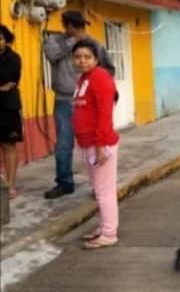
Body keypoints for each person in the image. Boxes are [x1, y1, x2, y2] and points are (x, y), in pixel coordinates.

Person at [42, 10, 114, 199]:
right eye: (76, 26)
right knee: (64, 144)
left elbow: (109, 68)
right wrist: (74, 42)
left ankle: (97, 185)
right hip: (65, 99)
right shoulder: (55, 40)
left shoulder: (94, 45)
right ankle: (64, 183)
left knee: (93, 144)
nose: (81, 30)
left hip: (88, 101)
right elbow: (51, 54)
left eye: (82, 26)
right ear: (66, 26)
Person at [70, 39, 120, 249]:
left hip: (101, 143)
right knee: (99, 188)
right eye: (78, 57)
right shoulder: (84, 78)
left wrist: (100, 145)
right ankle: (105, 227)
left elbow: (104, 114)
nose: (82, 61)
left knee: (103, 190)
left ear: (96, 59)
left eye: (87, 57)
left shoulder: (100, 77)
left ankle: (109, 234)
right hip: (88, 143)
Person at [0, 25, 22, 200]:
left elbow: (10, 81)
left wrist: (5, 86)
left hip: (8, 107)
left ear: (6, 40)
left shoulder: (14, 58)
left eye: (0, 39)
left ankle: (10, 185)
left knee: (8, 145)